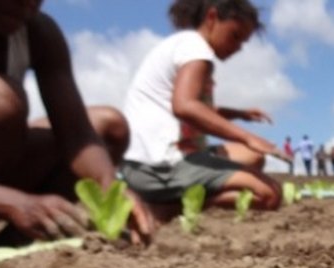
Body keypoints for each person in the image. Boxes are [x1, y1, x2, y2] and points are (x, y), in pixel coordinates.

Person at [0, 0, 154, 258]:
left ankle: (13, 251)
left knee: (107, 128)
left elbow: (77, 135)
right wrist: (12, 203)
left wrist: (112, 188)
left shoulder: (38, 33)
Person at [121, 0, 282, 221]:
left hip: (149, 162)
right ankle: (165, 209)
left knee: (253, 157)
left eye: (243, 43)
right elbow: (185, 107)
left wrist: (239, 114)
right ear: (212, 18)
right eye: (235, 36)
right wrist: (247, 136)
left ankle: (175, 198)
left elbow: (199, 110)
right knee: (269, 194)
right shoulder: (195, 49)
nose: (237, 48)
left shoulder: (184, 45)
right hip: (160, 166)